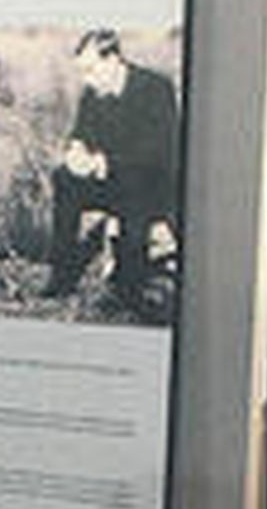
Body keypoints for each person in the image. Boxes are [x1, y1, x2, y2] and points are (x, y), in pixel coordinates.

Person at [45, 28, 182, 318]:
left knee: (136, 190)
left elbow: (157, 154)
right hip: (109, 180)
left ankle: (130, 288)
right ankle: (62, 273)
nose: (86, 79)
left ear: (114, 59)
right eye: (82, 72)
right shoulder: (93, 91)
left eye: (91, 70)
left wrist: (102, 163)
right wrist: (76, 152)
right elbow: (80, 133)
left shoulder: (155, 88)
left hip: (151, 184)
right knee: (64, 179)